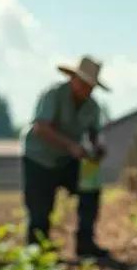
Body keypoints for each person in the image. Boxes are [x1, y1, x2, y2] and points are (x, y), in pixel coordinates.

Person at [21, 56, 109, 259]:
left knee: (90, 190)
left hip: (68, 160)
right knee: (39, 208)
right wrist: (70, 145)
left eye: (90, 86)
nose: (86, 90)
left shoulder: (92, 106)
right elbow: (41, 128)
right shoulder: (53, 95)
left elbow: (95, 132)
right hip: (39, 159)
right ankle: (37, 252)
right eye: (83, 84)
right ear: (73, 79)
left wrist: (98, 147)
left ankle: (85, 244)